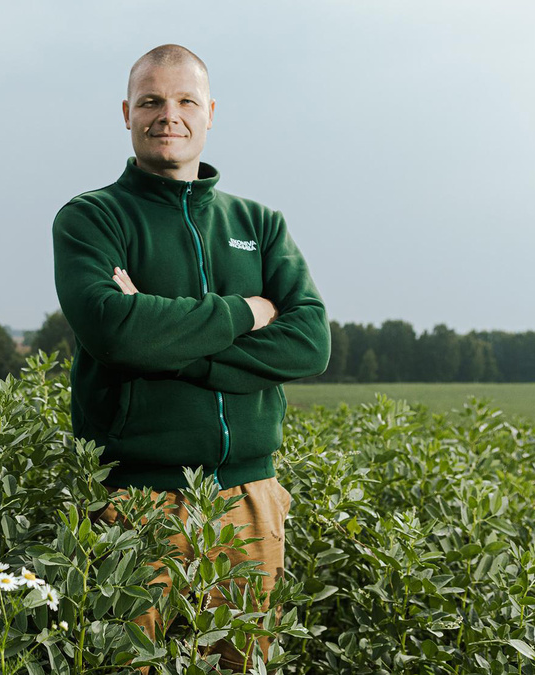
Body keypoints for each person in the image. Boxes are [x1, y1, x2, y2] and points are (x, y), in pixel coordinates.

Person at [50, 44, 331, 671]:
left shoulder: (260, 223)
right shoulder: (91, 218)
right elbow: (116, 332)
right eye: (151, 101)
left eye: (184, 101)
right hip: (134, 501)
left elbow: (311, 342)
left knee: (244, 665)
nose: (167, 115)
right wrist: (245, 313)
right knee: (125, 664)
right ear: (126, 113)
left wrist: (170, 345)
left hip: (249, 499)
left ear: (210, 113)